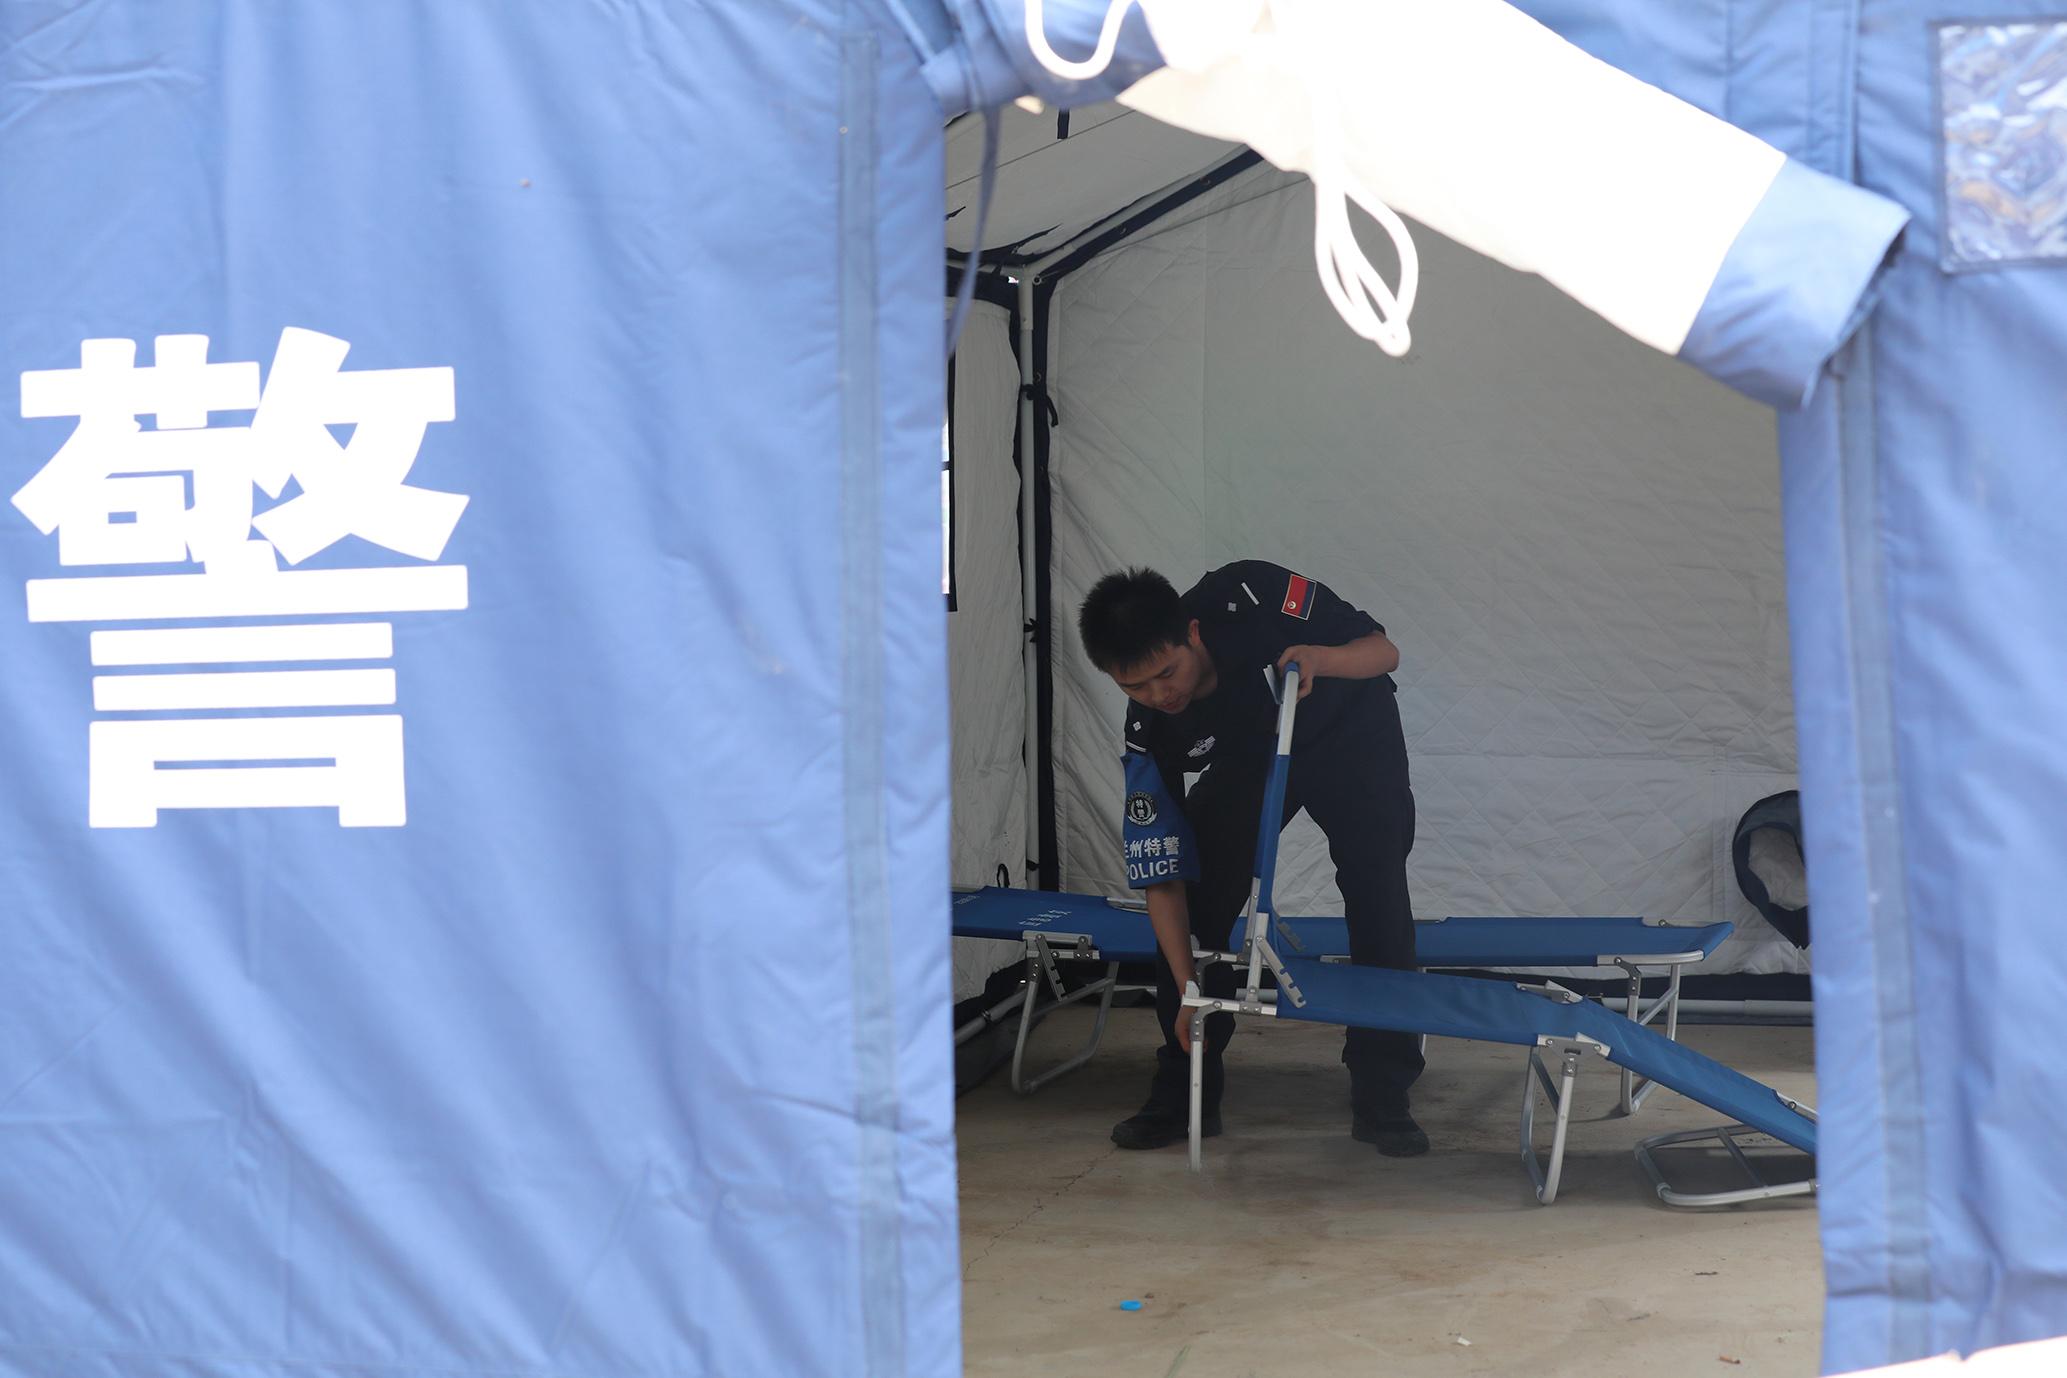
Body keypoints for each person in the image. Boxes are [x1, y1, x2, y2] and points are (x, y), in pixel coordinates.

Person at [1076, 561, 1427, 1156]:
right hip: (1253, 753)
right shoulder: (1151, 731)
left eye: (1167, 673)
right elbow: (1163, 878)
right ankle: (1185, 1086)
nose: (1159, 695)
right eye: (1134, 687)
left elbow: (1383, 651)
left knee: (1378, 895)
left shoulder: (1250, 594)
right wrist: (1187, 987)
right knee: (1202, 897)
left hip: (1350, 730)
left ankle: (1384, 1088)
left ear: (1192, 632)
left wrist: (1318, 657)